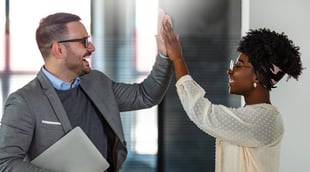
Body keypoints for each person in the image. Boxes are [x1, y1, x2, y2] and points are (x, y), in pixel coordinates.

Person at [0, 12, 172, 172]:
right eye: (83, 41)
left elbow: (146, 95)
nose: (92, 48)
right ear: (59, 50)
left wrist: (164, 54)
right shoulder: (24, 101)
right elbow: (5, 163)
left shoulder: (97, 82)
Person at [161, 16, 303, 172]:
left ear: (257, 75)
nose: (231, 70)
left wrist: (178, 59)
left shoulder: (266, 119)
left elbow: (203, 114)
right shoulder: (250, 115)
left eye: (239, 65)